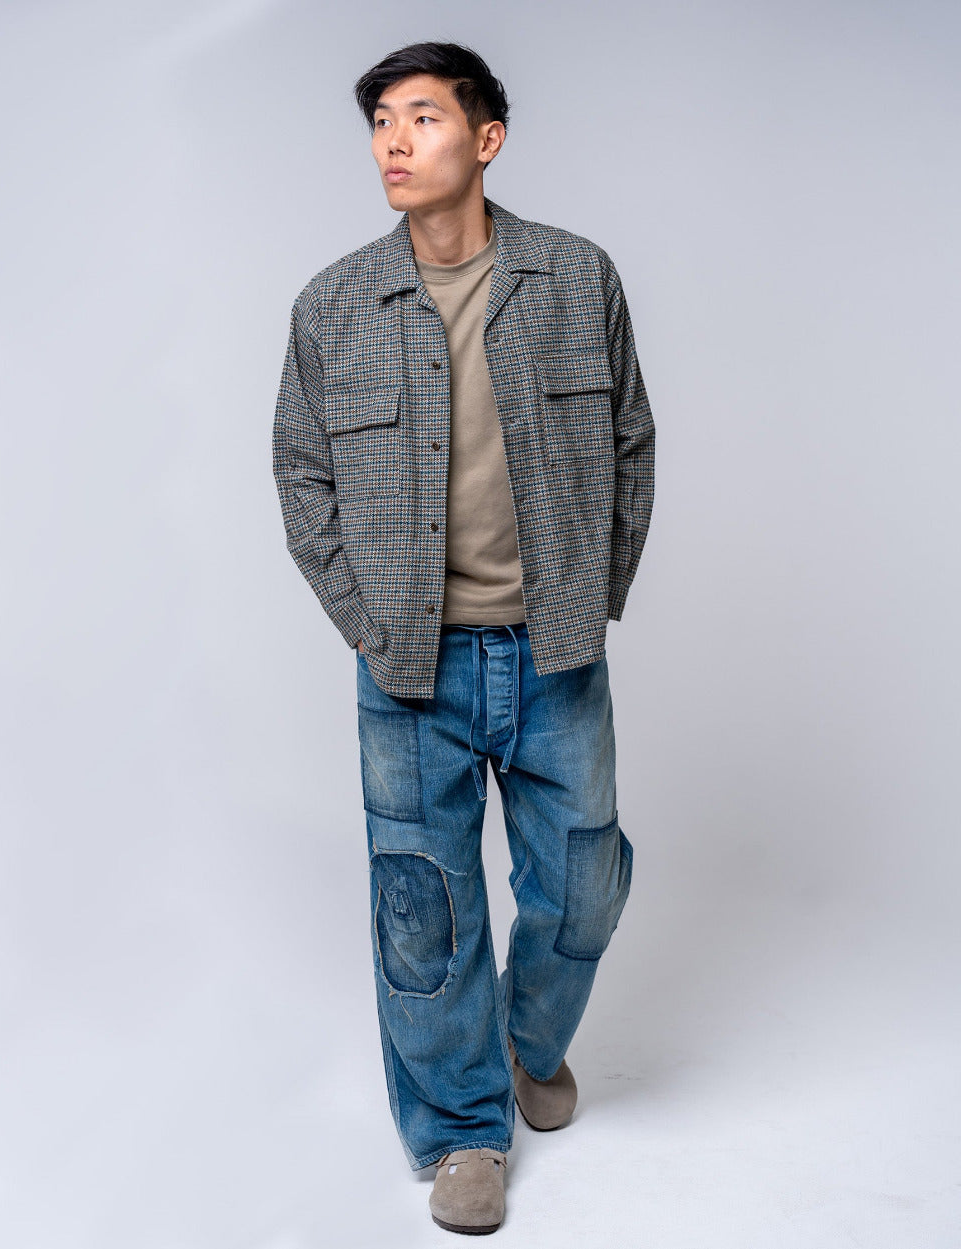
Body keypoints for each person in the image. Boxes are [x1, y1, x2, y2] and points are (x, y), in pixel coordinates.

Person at [272, 40, 655, 1236]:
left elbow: (631, 443)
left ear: (486, 139)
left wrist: (590, 593)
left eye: (423, 117)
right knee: (423, 914)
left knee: (583, 885)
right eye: (381, 120)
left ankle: (525, 1039)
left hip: (553, 656)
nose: (394, 140)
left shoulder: (574, 277)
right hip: (409, 668)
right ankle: (461, 1135)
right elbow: (300, 473)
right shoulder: (334, 305)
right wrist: (365, 619)